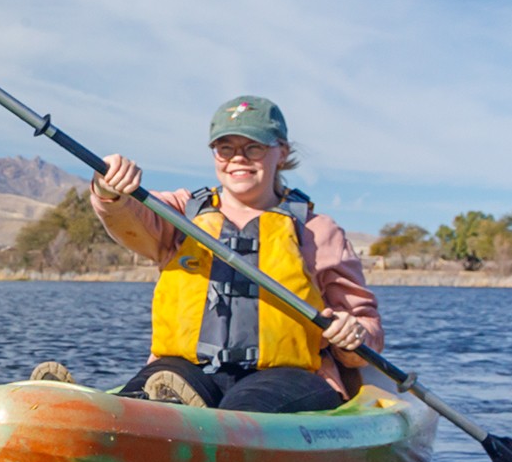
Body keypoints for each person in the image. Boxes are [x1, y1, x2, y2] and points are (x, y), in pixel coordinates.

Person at [33, 96, 380, 414]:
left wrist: (353, 337)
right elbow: (129, 216)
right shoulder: (181, 212)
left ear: (282, 152)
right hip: (187, 370)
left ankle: (190, 428)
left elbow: (366, 330)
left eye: (253, 148)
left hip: (288, 375)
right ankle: (83, 414)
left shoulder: (318, 231)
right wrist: (109, 189)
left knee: (245, 407)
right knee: (152, 390)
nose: (237, 159)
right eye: (225, 148)